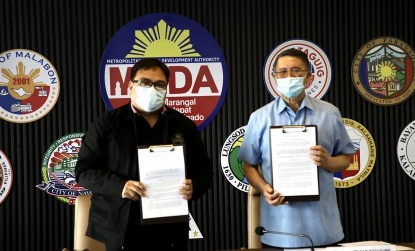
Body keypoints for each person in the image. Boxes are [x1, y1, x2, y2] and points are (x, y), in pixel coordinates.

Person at [75, 58, 213, 251]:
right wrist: (119, 186)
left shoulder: (184, 125)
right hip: (119, 227)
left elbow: (204, 171)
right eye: (145, 82)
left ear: (166, 89)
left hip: (169, 228)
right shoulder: (107, 124)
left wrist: (194, 186)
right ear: (130, 86)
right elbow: (84, 171)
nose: (152, 88)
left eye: (159, 84)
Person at [238, 48, 355, 248]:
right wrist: (264, 189)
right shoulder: (259, 117)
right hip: (279, 228)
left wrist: (327, 161)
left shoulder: (329, 113)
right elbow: (249, 166)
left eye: (296, 71)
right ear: (274, 77)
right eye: (282, 72)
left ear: (308, 77)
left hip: (324, 227)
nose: (289, 76)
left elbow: (346, 159)